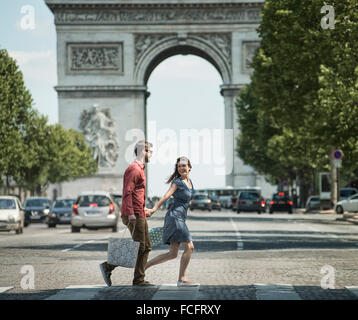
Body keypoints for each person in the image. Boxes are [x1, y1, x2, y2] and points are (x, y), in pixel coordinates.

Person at [100, 140, 155, 287]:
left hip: (139, 213)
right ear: (143, 151)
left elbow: (137, 194)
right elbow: (127, 193)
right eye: (150, 151)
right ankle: (110, 267)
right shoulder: (134, 169)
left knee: (146, 246)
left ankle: (138, 279)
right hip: (134, 214)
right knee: (141, 247)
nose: (151, 154)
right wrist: (131, 213)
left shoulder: (140, 169)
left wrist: (143, 208)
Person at [144, 156, 199, 287]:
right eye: (179, 166)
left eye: (184, 165)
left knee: (173, 254)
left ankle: (143, 268)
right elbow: (166, 196)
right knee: (189, 247)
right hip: (175, 217)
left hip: (179, 218)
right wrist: (153, 209)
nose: (181, 168)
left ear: (189, 167)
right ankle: (182, 279)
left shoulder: (190, 182)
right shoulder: (177, 182)